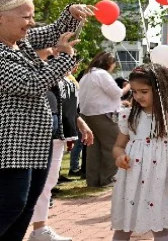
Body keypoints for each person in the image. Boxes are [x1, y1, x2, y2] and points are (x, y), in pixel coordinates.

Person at [0, 0, 93, 241]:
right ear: (1, 18)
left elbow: (53, 32)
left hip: (34, 145)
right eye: (26, 17)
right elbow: (31, 83)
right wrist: (63, 58)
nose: (31, 23)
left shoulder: (20, 43)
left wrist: (71, 13)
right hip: (11, 146)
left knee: (25, 208)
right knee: (10, 205)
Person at [111, 64, 168, 240]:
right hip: (132, 177)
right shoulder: (129, 115)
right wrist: (120, 156)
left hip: (161, 177)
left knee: (159, 225)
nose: (138, 96)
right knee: (125, 224)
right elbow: (118, 146)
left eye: (143, 91)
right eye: (135, 92)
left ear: (160, 89)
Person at [29, 50, 94, 241]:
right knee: (29, 185)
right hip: (38, 134)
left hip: (60, 134)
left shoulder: (69, 78)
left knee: (48, 183)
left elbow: (69, 106)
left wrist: (80, 125)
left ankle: (40, 229)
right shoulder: (40, 70)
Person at [78, 52, 131, 187]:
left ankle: (93, 180)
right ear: (109, 64)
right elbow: (117, 93)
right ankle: (108, 178)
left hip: (87, 115)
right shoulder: (102, 74)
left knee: (93, 149)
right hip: (102, 114)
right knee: (112, 145)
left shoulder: (87, 74)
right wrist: (127, 87)